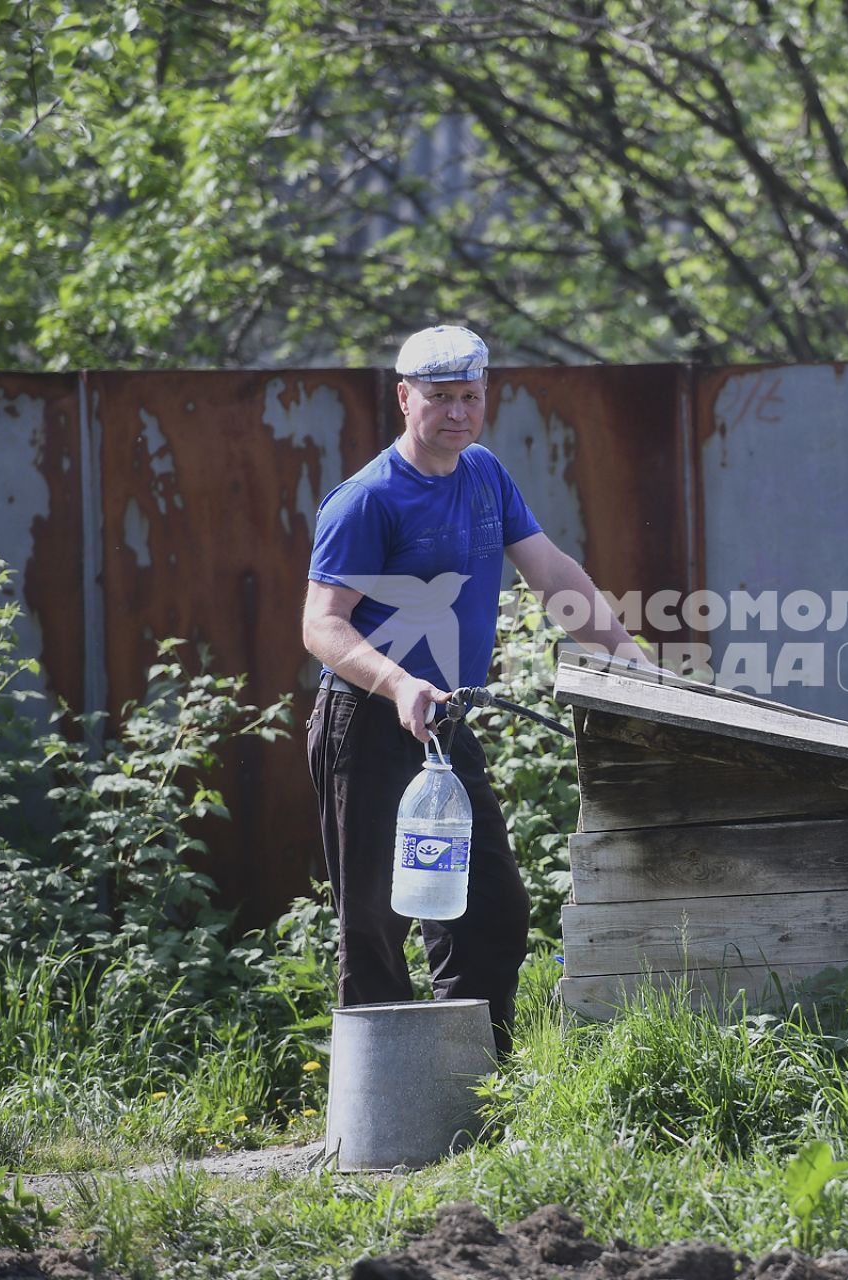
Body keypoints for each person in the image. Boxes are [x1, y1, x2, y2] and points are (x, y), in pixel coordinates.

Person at [300, 324, 641, 1056]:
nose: (457, 412)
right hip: (363, 723)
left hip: (446, 730)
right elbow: (321, 627)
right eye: (440, 397)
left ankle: (472, 1087)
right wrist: (396, 683)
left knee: (489, 908)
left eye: (470, 396)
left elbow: (552, 572)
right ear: (404, 397)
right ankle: (380, 1115)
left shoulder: (484, 475)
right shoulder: (367, 500)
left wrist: (630, 662)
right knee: (373, 923)